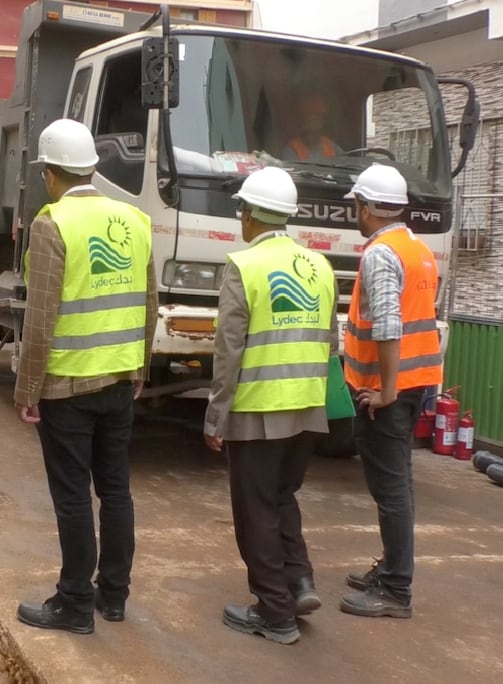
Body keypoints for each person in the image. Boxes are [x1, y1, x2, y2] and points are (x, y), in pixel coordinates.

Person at [14, 118, 156, 634]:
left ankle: (74, 604)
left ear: (50, 174)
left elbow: (41, 316)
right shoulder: (135, 220)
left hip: (67, 387)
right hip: (119, 383)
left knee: (73, 496)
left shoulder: (52, 224)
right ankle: (112, 596)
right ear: (92, 169)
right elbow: (148, 301)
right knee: (115, 489)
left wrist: (27, 391)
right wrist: (139, 368)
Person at [204, 167, 337, 646]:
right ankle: (299, 584)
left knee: (255, 509)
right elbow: (330, 341)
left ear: (250, 214)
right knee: (282, 498)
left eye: (241, 208)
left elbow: (228, 352)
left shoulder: (243, 266)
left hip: (258, 408)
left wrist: (216, 416)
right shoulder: (320, 267)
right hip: (307, 404)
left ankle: (275, 613)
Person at [339, 163, 442, 619]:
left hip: (389, 391)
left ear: (366, 207)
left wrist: (384, 390)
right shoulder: (417, 249)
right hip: (417, 383)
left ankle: (396, 589)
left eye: (356, 206)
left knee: (392, 489)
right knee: (398, 483)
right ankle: (393, 570)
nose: (355, 214)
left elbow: (387, 325)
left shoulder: (381, 254)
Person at [281, 96, 344, 162]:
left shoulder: (333, 148)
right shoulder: (292, 150)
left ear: (323, 122)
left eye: (316, 118)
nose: (313, 123)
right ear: (302, 122)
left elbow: (345, 167)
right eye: (309, 119)